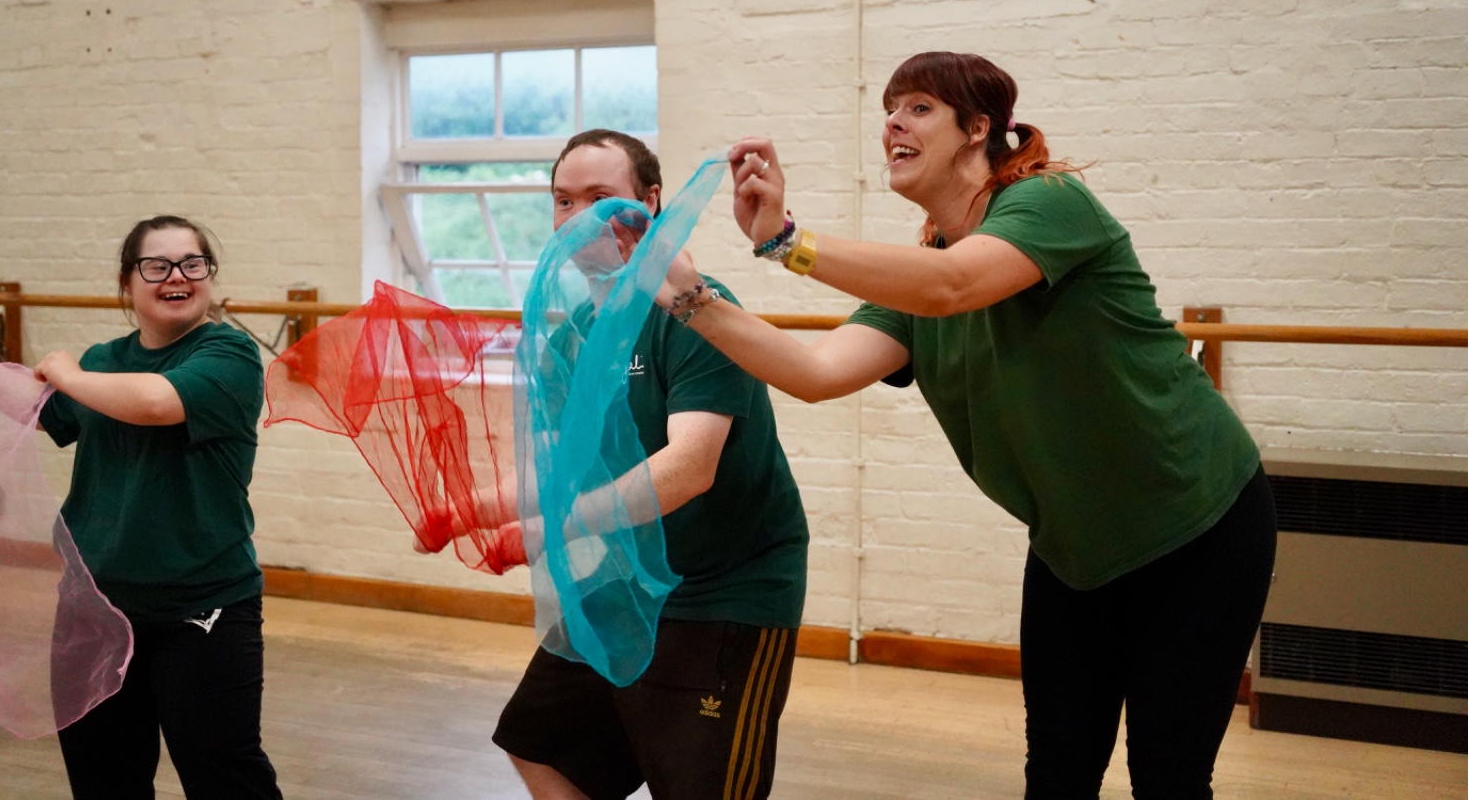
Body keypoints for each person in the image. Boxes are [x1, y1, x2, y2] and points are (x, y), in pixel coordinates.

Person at [658, 52, 1276, 799]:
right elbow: (814, 374)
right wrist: (691, 296)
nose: (892, 121)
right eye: (889, 108)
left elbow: (956, 287)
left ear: (979, 127)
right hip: (1074, 549)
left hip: (1197, 526)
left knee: (1169, 778)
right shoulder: (919, 275)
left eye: (918, 106)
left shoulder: (1050, 202)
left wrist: (788, 241)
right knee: (1055, 774)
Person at [438, 129, 810, 800]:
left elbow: (688, 468)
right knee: (538, 744)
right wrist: (471, 507)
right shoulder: (574, 329)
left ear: (650, 201)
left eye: (601, 197)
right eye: (562, 200)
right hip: (631, 583)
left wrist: (553, 529)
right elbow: (562, 459)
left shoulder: (701, 311)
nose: (579, 217)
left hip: (725, 594)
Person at [0, 215, 281, 800]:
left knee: (224, 776)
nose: (177, 276)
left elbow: (154, 403)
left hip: (199, 612)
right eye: (157, 265)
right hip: (91, 610)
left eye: (192, 264)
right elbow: (42, 409)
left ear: (208, 277)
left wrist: (68, 373)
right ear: (128, 283)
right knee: (104, 778)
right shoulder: (105, 357)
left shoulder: (230, 353)